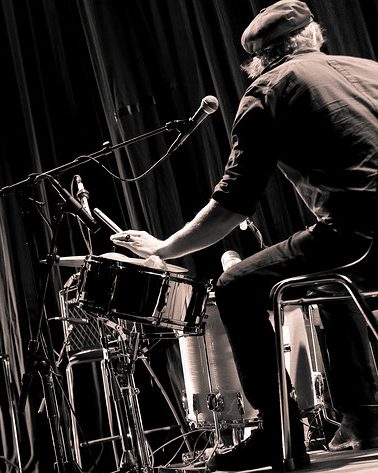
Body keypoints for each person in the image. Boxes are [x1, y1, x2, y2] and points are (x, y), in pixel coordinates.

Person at [109, 1, 378, 470]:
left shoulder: (267, 90)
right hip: (359, 242)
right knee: (327, 280)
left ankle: (279, 436)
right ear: (314, 36)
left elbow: (233, 206)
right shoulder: (368, 68)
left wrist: (164, 248)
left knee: (236, 287)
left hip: (362, 237)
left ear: (259, 60)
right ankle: (366, 415)